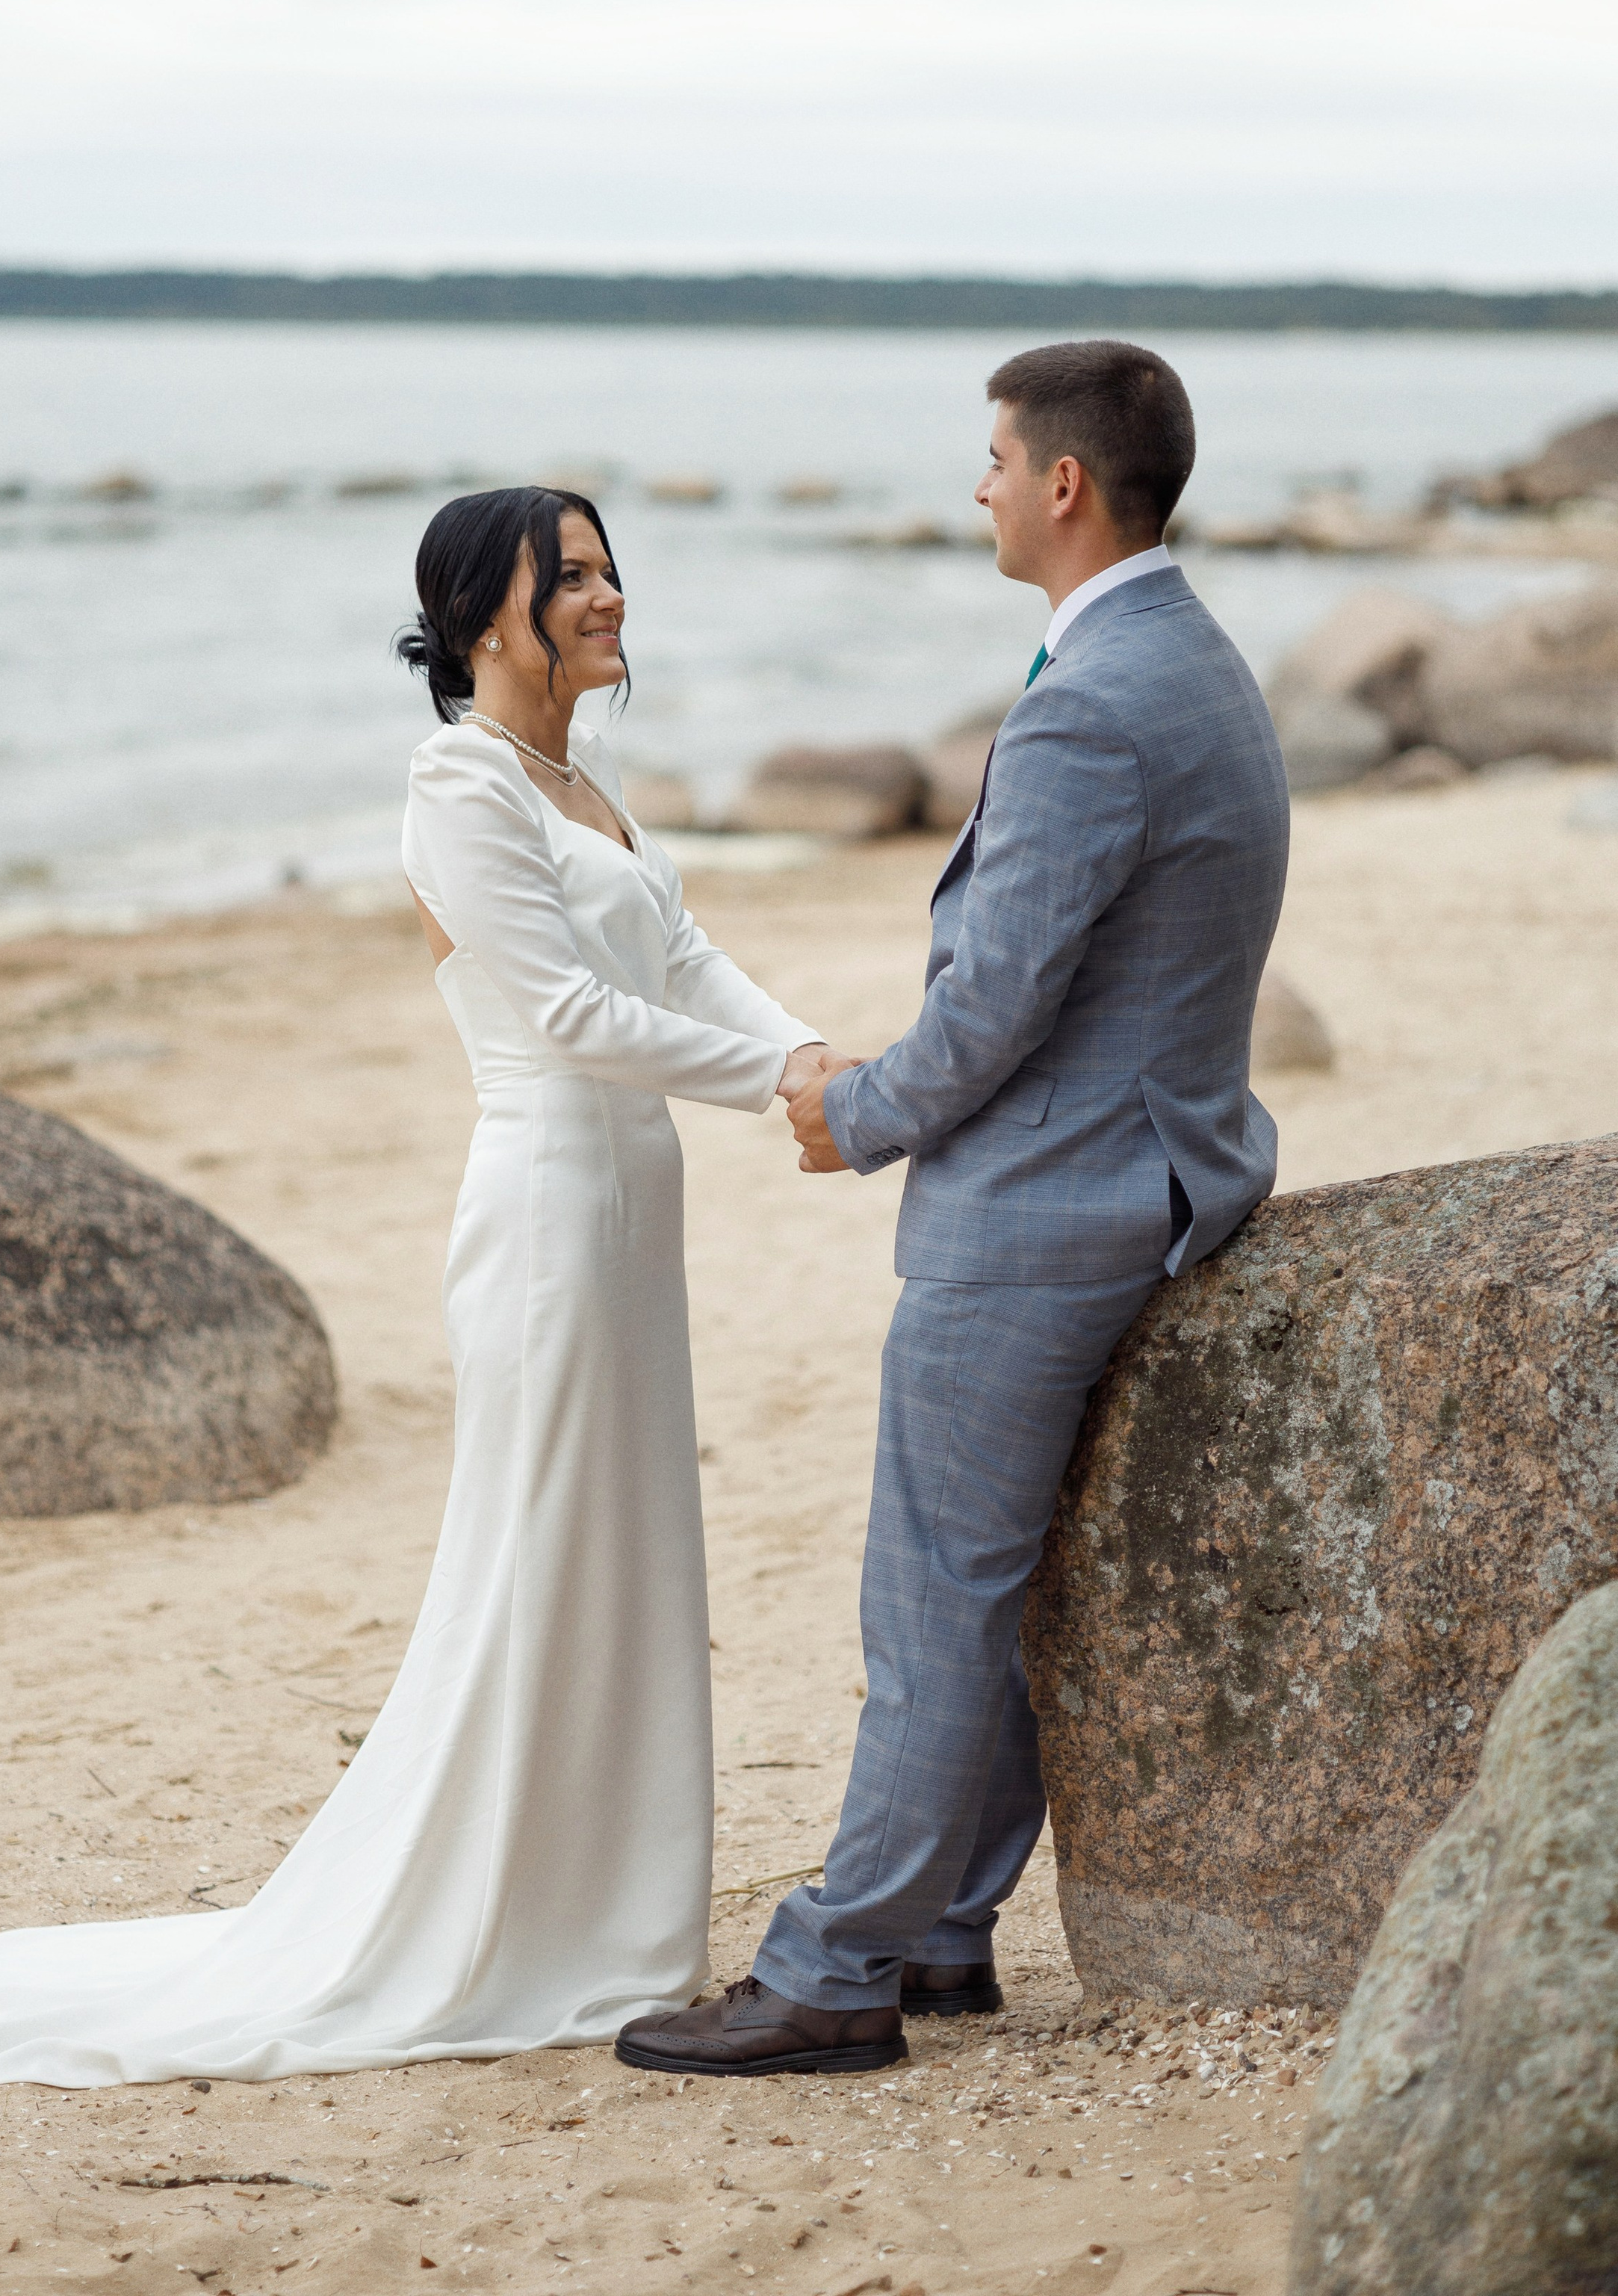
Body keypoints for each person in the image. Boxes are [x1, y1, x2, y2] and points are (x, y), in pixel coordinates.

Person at [0, 484, 835, 2087]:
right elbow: (564, 1015)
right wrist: (776, 1086)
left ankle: (608, 1911)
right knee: (538, 1552)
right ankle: (513, 1924)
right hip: (550, 1209)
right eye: (568, 575)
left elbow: (681, 959)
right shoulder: (458, 782)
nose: (607, 594)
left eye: (608, 567)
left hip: (636, 1207)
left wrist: (811, 1051)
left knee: (628, 1547)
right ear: (481, 616)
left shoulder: (583, 780)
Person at [615, 338, 1290, 2079]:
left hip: (1051, 1208)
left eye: (991, 458)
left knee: (931, 1600)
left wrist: (857, 1115)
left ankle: (835, 1972)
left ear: (1062, 484)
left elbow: (992, 1005)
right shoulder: (1192, 659)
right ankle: (936, 1933)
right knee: (980, 1594)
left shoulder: (1089, 702)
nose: (974, 485)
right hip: (1158, 1173)